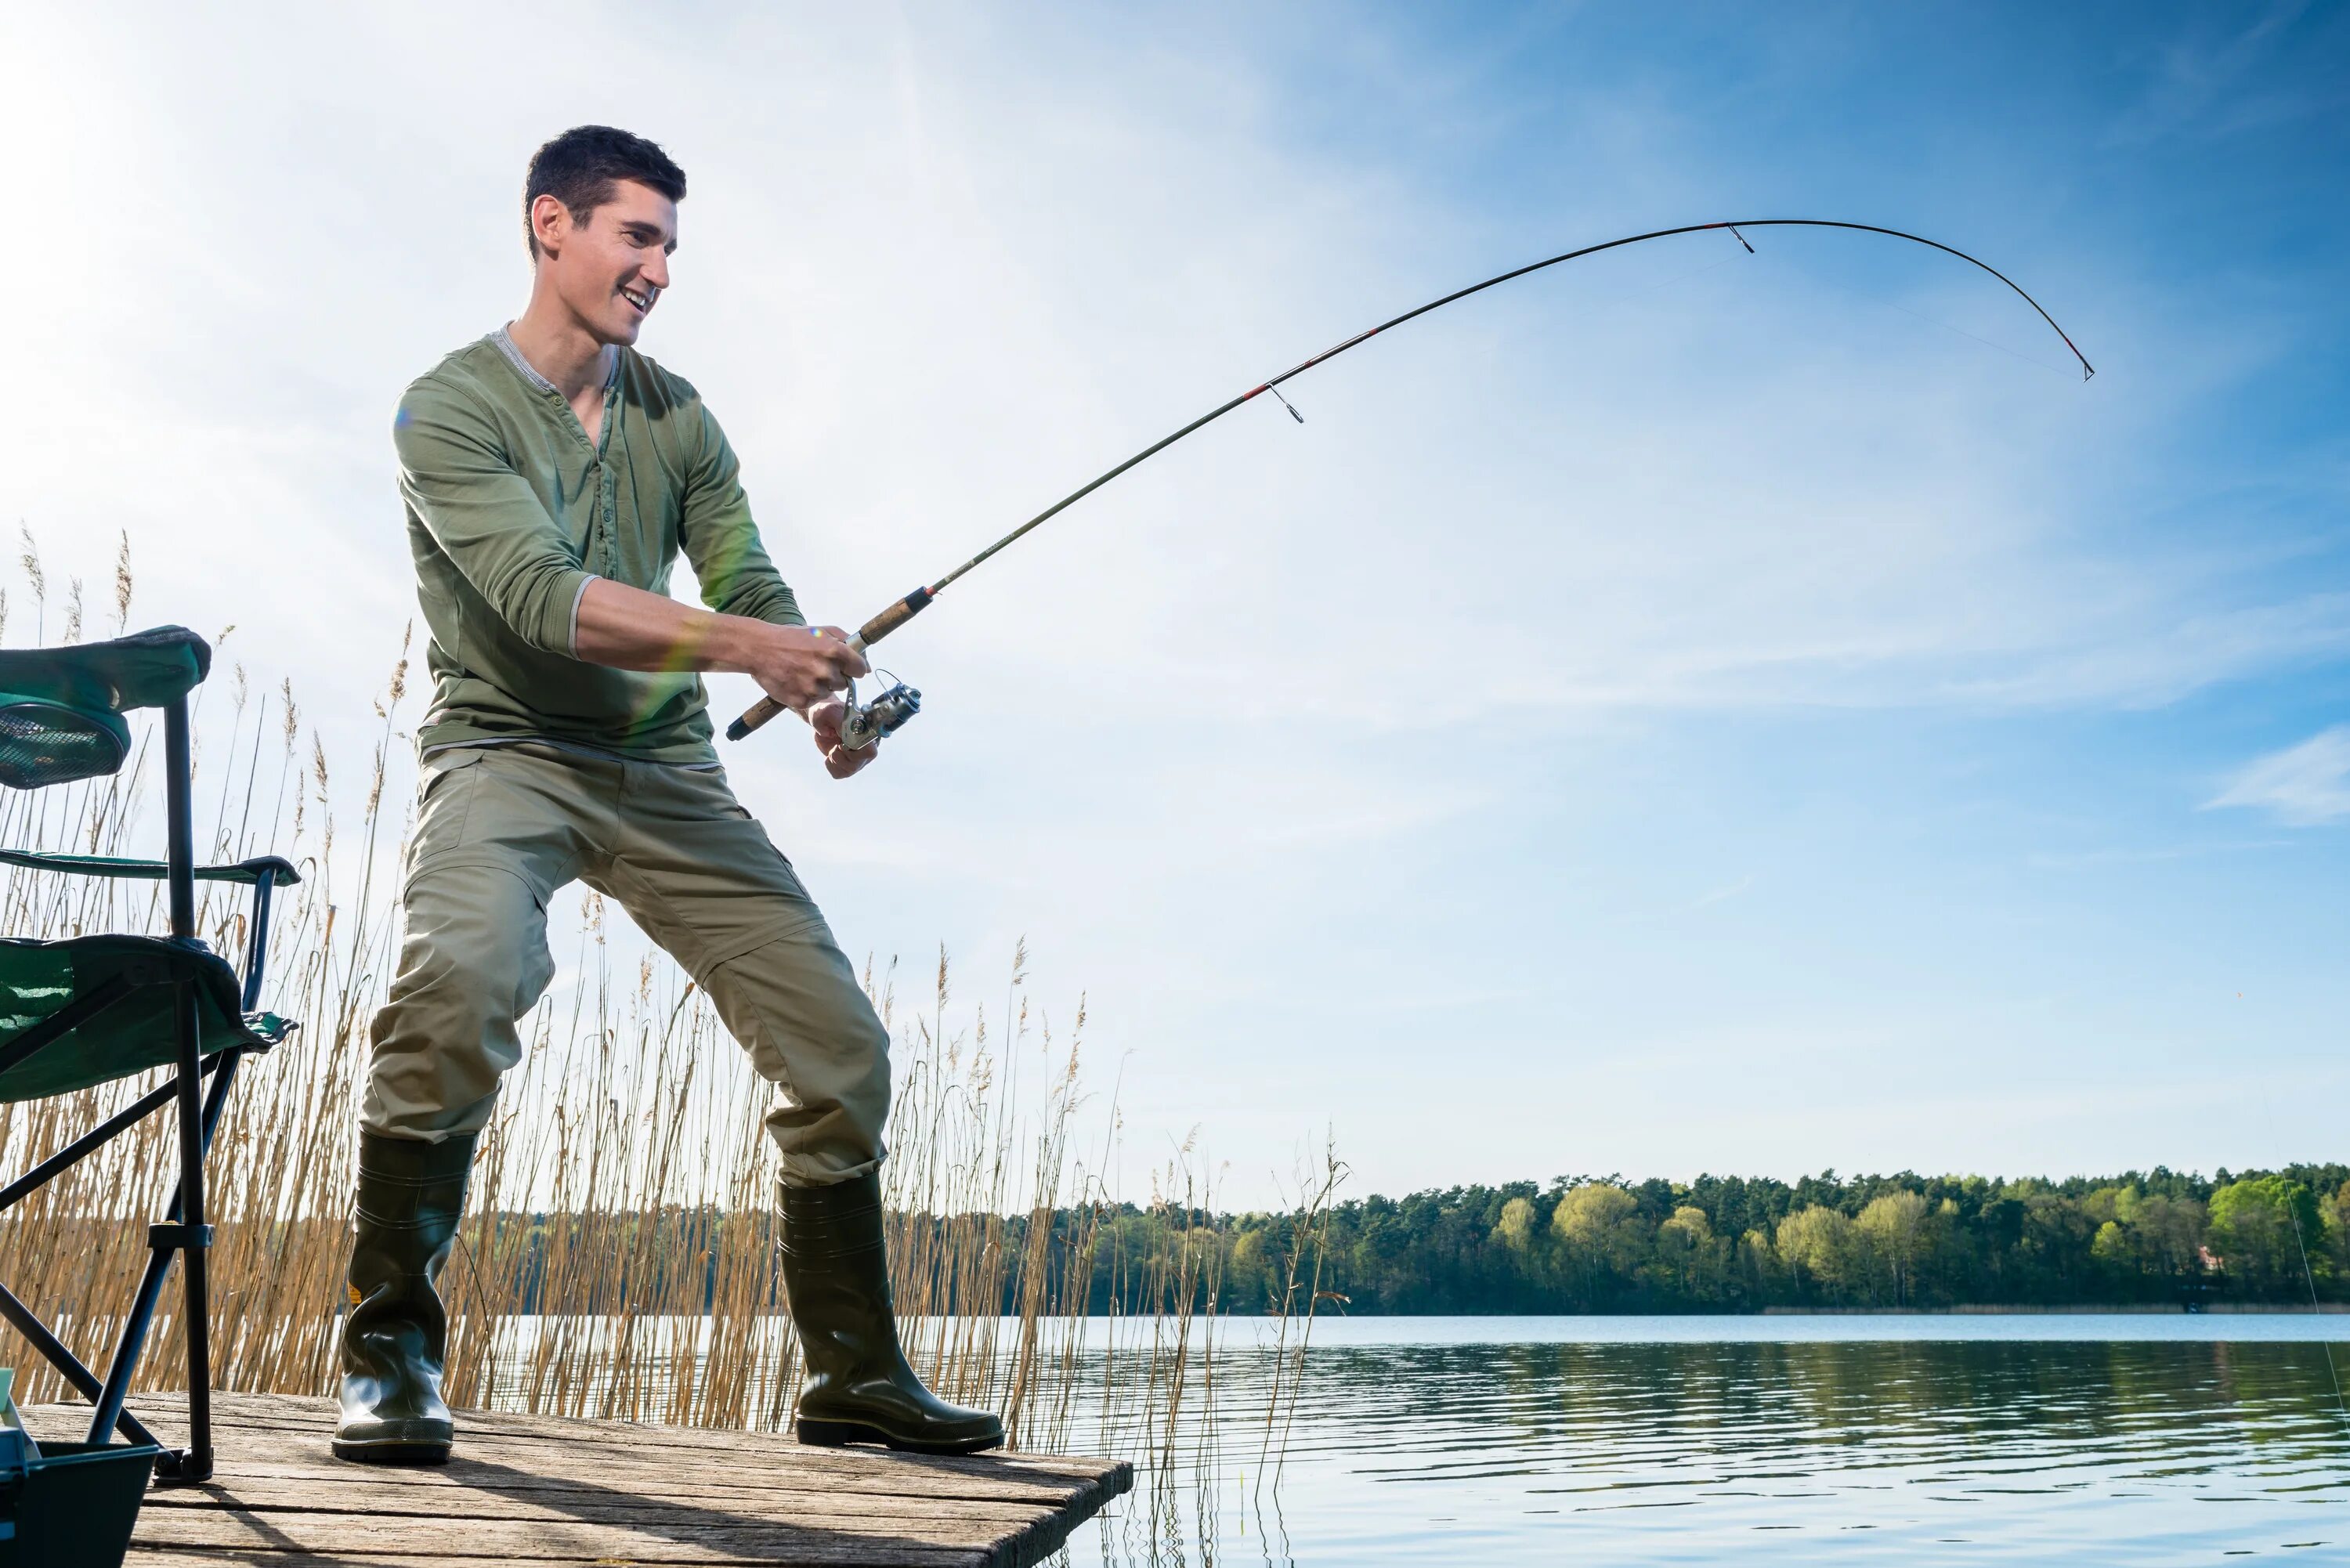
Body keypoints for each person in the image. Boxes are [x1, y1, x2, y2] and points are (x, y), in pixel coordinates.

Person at [334, 125, 1000, 1463]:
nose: (659, 270)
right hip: (505, 751)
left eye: (669, 247)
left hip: (664, 767)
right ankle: (388, 1349)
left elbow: (749, 581)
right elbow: (542, 601)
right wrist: (758, 648)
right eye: (637, 237)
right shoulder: (445, 407)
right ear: (551, 226)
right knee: (461, 981)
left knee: (841, 1051)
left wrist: (820, 693)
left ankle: (853, 1378)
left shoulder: (680, 415)